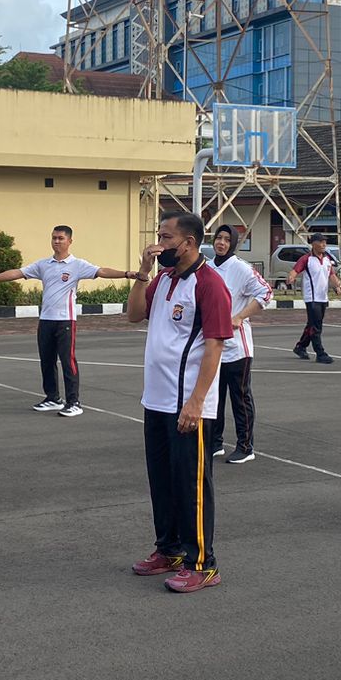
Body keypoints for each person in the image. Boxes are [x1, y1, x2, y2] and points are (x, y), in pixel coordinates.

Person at [126, 212, 234, 593]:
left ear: (188, 243)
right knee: (162, 480)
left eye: (166, 238)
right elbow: (133, 315)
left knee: (191, 485)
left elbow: (215, 345)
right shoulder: (163, 279)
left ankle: (202, 563)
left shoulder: (210, 284)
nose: (159, 244)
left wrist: (196, 402)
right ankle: (168, 550)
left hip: (187, 404)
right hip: (156, 400)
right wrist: (143, 271)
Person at [0, 225, 132, 417]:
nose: (56, 241)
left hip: (65, 320)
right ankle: (53, 398)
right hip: (46, 320)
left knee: (68, 361)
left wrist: (126, 274)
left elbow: (102, 271)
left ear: (70, 241)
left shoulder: (77, 265)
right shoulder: (43, 264)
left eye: (61, 238)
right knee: (47, 361)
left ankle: (74, 402)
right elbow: (17, 273)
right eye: (54, 238)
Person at [207, 225, 274, 465]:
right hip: (212, 346)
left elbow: (266, 293)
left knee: (240, 397)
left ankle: (245, 447)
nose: (221, 243)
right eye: (218, 238)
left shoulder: (242, 269)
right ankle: (214, 443)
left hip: (237, 348)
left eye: (227, 239)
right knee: (213, 397)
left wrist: (240, 316)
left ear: (233, 244)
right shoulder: (207, 268)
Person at [289, 233, 341, 364]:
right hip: (312, 298)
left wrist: (337, 286)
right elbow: (295, 271)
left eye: (325, 242)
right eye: (321, 242)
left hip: (323, 297)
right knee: (316, 327)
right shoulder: (306, 259)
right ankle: (320, 353)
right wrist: (291, 277)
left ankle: (300, 346)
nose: (324, 244)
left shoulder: (327, 259)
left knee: (312, 324)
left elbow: (331, 275)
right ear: (313, 244)